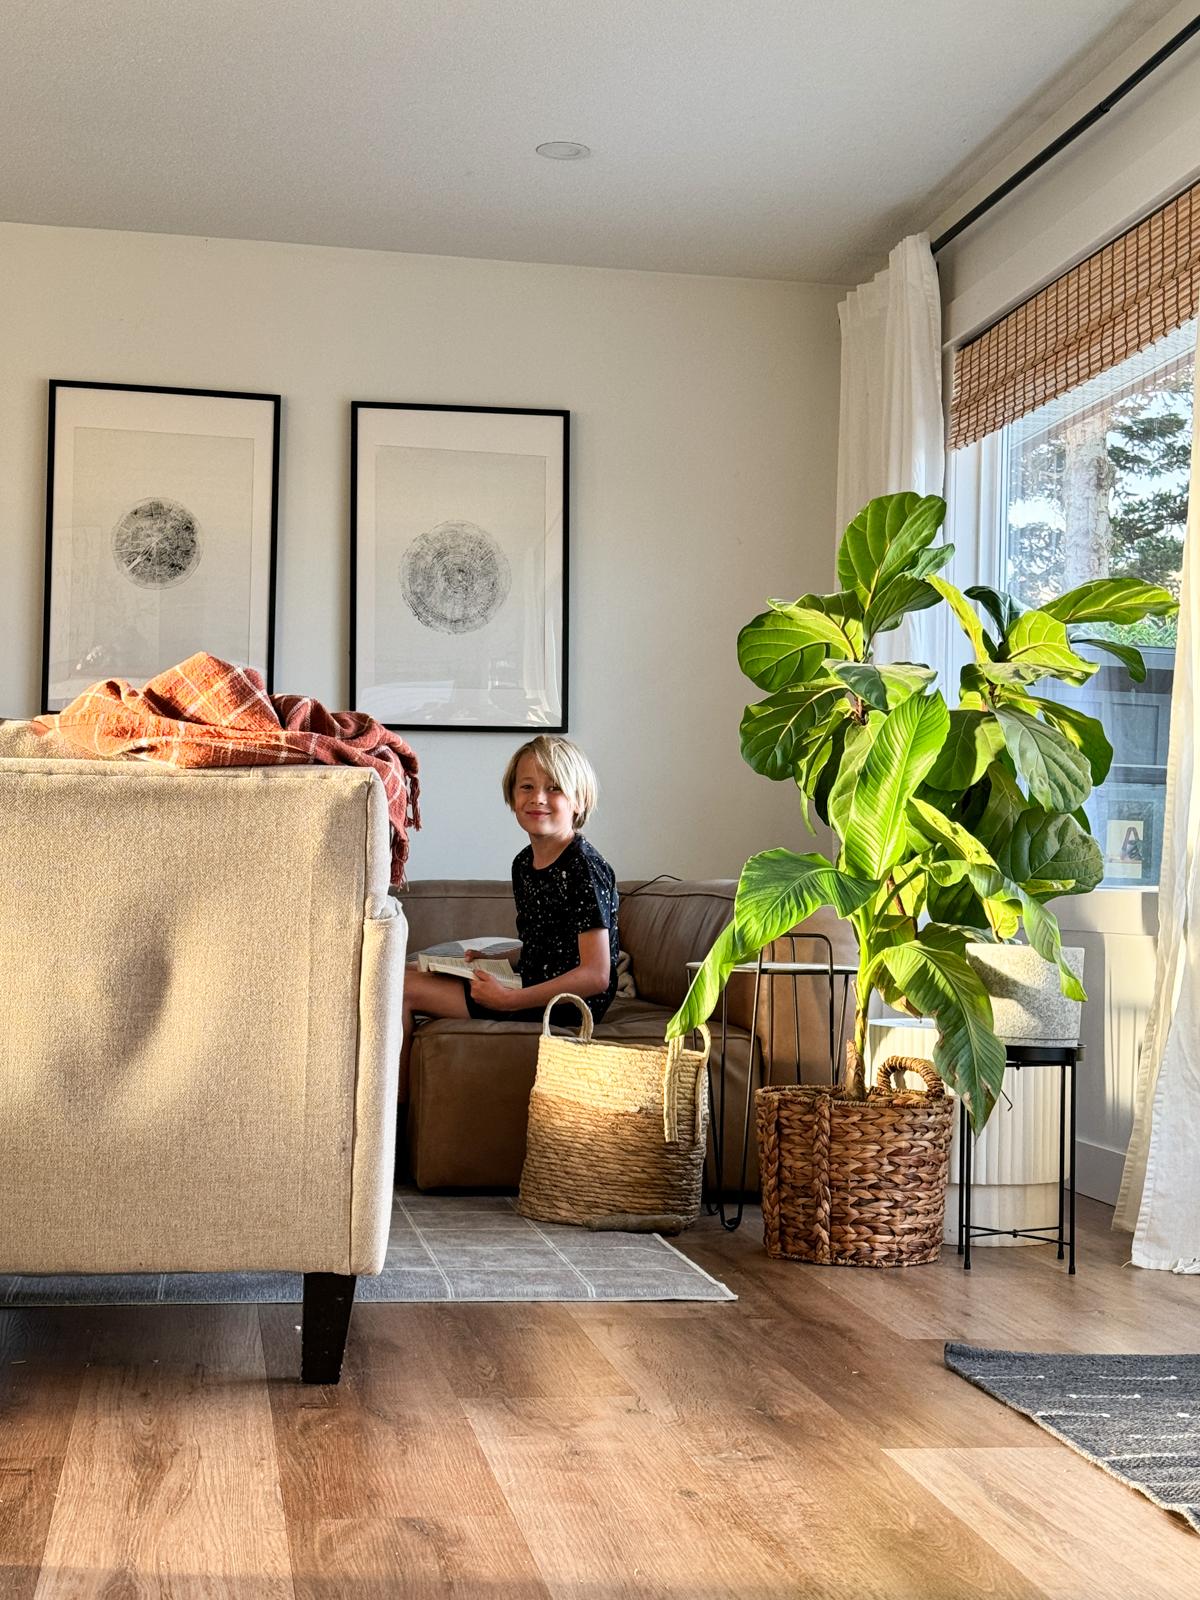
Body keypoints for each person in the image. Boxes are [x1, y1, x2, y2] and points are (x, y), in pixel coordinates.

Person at [399, 736, 618, 1084]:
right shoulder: (523, 864)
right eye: (526, 786)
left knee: (400, 989)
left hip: (567, 1005)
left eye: (554, 788)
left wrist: (509, 1000)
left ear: (578, 801)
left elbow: (596, 975)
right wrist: (497, 960)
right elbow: (548, 944)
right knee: (408, 971)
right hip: (531, 983)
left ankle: (393, 1122)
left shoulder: (584, 868)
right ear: (512, 796)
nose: (538, 798)